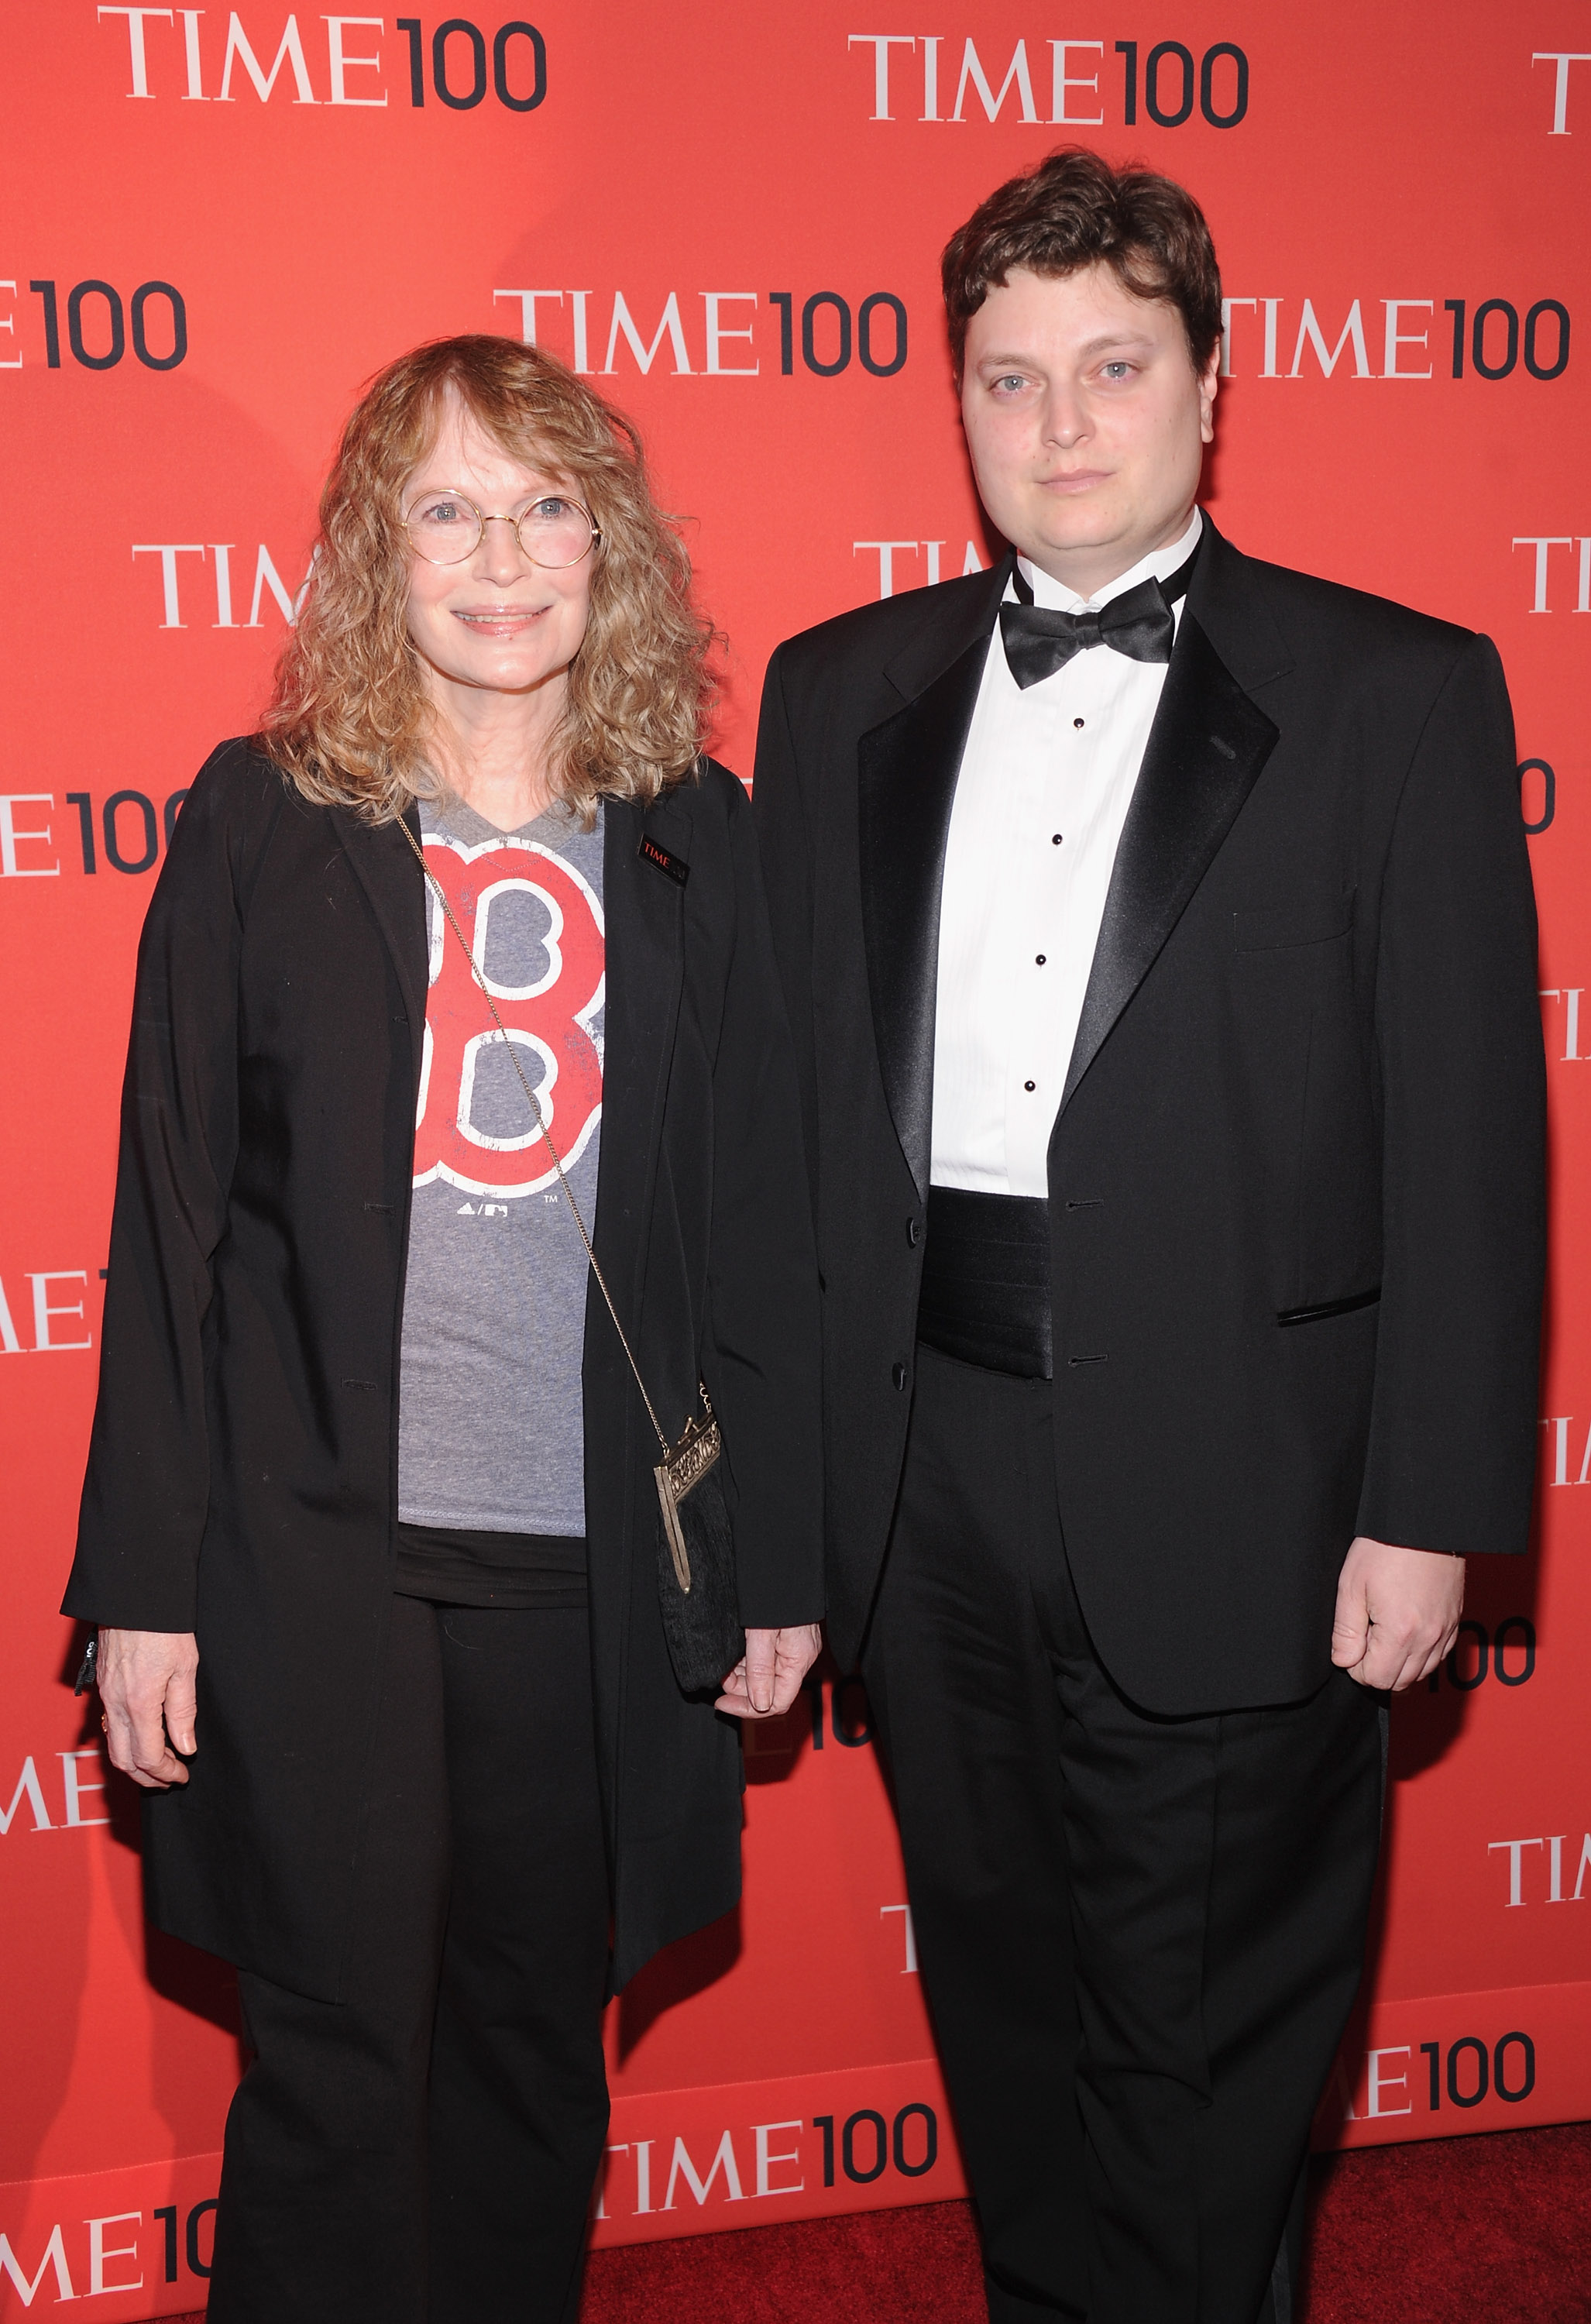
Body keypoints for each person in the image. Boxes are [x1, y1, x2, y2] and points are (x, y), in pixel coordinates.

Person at [752, 149, 1545, 2323]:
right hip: (926, 1493)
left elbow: (1473, 1140)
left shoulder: (1392, 691)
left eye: (1112, 365)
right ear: (958, 402)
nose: (1060, 422)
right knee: (1005, 2033)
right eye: (1008, 378)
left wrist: (1432, 1515)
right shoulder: (832, 695)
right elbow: (803, 1132)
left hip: (1249, 1488)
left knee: (1201, 2075)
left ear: (1212, 380)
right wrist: (791, 1527)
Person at [63, 333, 823, 2324]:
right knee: (332, 2063)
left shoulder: (696, 834)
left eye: (548, 503)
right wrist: (145, 1583)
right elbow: (169, 1231)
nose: (503, 556)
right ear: (372, 557)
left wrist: (777, 1566)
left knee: (522, 2052)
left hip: (589, 1574)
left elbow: (760, 1227)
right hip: (321, 1563)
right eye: (448, 510)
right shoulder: (258, 821)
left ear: (614, 546)